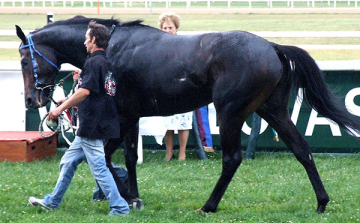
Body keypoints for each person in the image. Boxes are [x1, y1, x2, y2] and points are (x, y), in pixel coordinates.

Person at [28, 20, 130, 216]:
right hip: (97, 123)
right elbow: (95, 90)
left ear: (93, 40)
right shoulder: (105, 62)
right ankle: (52, 201)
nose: (84, 42)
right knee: (68, 162)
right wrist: (79, 80)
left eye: (86, 39)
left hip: (93, 125)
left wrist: (59, 109)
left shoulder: (92, 62)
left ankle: (120, 207)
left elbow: (84, 92)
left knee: (99, 168)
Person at [159, 12, 193, 162]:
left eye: (170, 27)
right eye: (165, 27)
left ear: (176, 28)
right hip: (165, 88)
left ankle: (182, 153)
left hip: (182, 86)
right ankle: (169, 153)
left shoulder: (183, 43)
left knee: (183, 122)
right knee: (168, 122)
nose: (167, 30)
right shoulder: (157, 45)